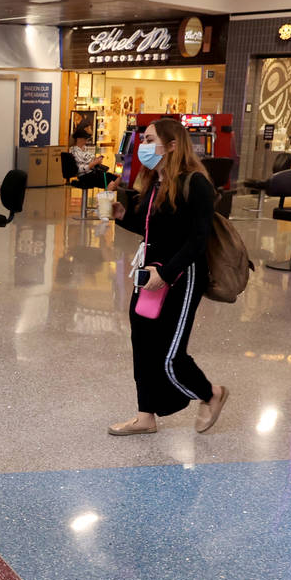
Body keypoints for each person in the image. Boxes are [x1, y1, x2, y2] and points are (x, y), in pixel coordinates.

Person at [108, 117, 227, 435]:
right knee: (142, 344)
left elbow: (197, 240)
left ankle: (210, 393)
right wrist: (123, 216)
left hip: (182, 276)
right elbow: (154, 230)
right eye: (142, 141)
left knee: (168, 353)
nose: (143, 147)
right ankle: (145, 415)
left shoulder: (196, 183)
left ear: (172, 145)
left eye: (149, 140)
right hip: (149, 273)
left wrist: (168, 272)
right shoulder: (155, 182)